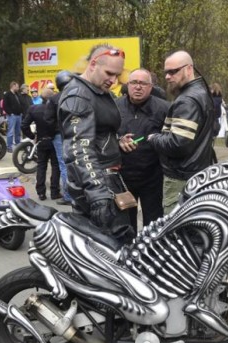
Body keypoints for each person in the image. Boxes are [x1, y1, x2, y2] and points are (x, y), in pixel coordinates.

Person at [57, 44, 134, 243]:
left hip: (108, 180)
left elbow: (97, 135)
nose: (114, 80)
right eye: (109, 73)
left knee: (122, 247)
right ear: (93, 64)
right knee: (110, 253)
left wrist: (117, 141)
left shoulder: (98, 91)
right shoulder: (78, 96)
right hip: (97, 184)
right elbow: (78, 149)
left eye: (117, 75)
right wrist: (98, 193)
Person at [122, 50, 215, 214]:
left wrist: (154, 137)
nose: (167, 77)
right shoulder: (198, 94)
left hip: (176, 176)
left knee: (170, 229)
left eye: (173, 71)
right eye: (166, 72)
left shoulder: (186, 100)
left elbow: (178, 144)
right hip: (128, 177)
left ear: (188, 69)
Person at [116, 68, 169, 232]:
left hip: (153, 177)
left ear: (151, 86)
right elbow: (102, 135)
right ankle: (127, 255)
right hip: (123, 177)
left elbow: (173, 140)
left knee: (153, 226)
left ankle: (151, 256)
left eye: (143, 83)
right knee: (125, 225)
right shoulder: (115, 106)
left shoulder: (165, 108)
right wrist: (118, 140)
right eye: (134, 83)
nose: (138, 87)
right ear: (128, 85)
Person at [21, 87, 61, 201]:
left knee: (41, 166)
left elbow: (24, 125)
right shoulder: (57, 109)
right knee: (55, 166)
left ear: (41, 97)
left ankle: (41, 193)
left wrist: (33, 136)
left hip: (41, 140)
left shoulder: (34, 109)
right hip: (54, 140)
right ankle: (54, 192)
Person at [44, 73, 72, 206]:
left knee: (64, 165)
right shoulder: (77, 97)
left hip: (59, 135)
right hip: (77, 134)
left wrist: (52, 133)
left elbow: (48, 119)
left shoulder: (54, 99)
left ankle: (68, 196)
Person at [2, 81, 23, 152]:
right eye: (17, 87)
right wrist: (10, 113)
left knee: (18, 131)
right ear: (13, 86)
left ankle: (18, 145)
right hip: (12, 116)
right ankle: (9, 146)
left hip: (19, 115)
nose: (18, 88)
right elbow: (4, 105)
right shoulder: (7, 95)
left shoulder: (17, 94)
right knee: (10, 131)